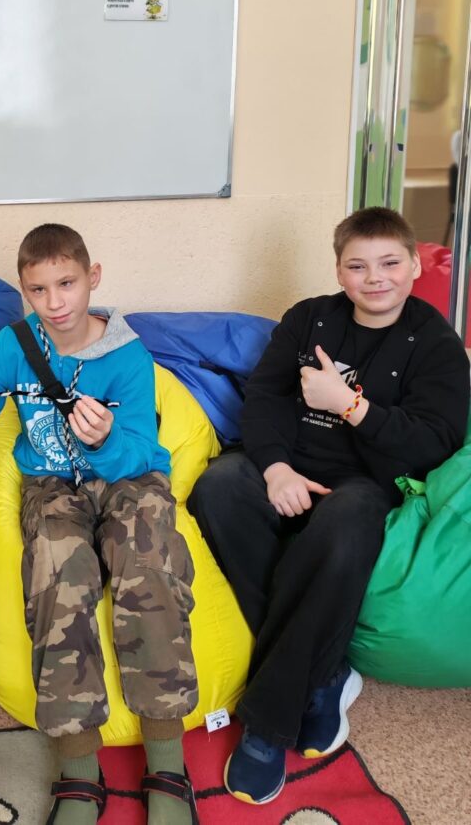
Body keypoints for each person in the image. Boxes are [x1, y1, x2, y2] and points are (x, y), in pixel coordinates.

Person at [187, 206, 470, 806]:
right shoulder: (308, 318)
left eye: (390, 263)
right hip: (290, 467)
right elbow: (264, 398)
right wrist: (275, 468)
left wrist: (350, 406)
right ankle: (325, 673)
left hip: (364, 482)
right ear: (339, 271)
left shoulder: (437, 343)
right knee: (217, 486)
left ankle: (267, 725)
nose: (376, 278)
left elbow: (435, 442)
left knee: (344, 524)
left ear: (415, 265)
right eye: (358, 266)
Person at [0, 223, 200, 825]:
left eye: (67, 284)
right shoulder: (12, 346)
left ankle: (167, 765)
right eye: (38, 289)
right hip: (51, 485)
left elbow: (142, 452)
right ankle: (78, 769)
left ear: (92, 278)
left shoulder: (127, 355)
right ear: (24, 290)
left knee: (147, 562)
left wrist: (104, 443)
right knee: (57, 569)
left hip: (130, 477)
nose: (54, 303)